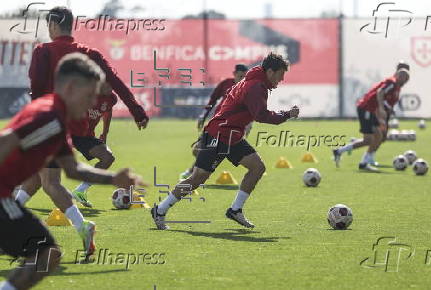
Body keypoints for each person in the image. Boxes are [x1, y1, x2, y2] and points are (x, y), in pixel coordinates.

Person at [0, 53, 142, 290]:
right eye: (89, 96)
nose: (91, 105)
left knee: (48, 255)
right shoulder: (48, 118)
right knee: (46, 255)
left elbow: (72, 169)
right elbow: (5, 141)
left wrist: (113, 178)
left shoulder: (57, 119)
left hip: (6, 198)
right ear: (71, 87)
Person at [13, 6, 148, 255]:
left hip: (45, 124)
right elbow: (115, 81)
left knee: (48, 181)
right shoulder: (89, 53)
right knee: (38, 178)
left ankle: (77, 226)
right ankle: (16, 227)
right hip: (65, 127)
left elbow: (36, 88)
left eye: (48, 25)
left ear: (53, 24)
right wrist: (136, 110)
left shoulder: (43, 51)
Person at [152, 53, 299, 230]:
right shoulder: (255, 86)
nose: (282, 79)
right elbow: (261, 115)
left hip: (232, 136)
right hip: (219, 135)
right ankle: (160, 210)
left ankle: (235, 210)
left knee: (257, 167)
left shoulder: (254, 81)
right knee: (198, 178)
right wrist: (287, 114)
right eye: (281, 74)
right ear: (270, 71)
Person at [333, 65, 410, 171]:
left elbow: (385, 98)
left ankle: (346, 154)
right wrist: (382, 108)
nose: (404, 79)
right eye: (402, 76)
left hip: (371, 110)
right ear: (397, 75)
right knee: (369, 139)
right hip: (366, 108)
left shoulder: (396, 87)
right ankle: (362, 162)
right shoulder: (392, 82)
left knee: (378, 136)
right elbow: (380, 92)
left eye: (406, 78)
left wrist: (387, 108)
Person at [179, 64, 248, 180]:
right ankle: (195, 172)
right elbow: (213, 99)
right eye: (241, 76)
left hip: (231, 127)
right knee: (197, 150)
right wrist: (203, 115)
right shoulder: (226, 84)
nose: (243, 79)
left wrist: (248, 125)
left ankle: (193, 174)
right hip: (215, 123)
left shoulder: (247, 89)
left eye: (245, 77)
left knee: (211, 151)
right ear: (234, 74)